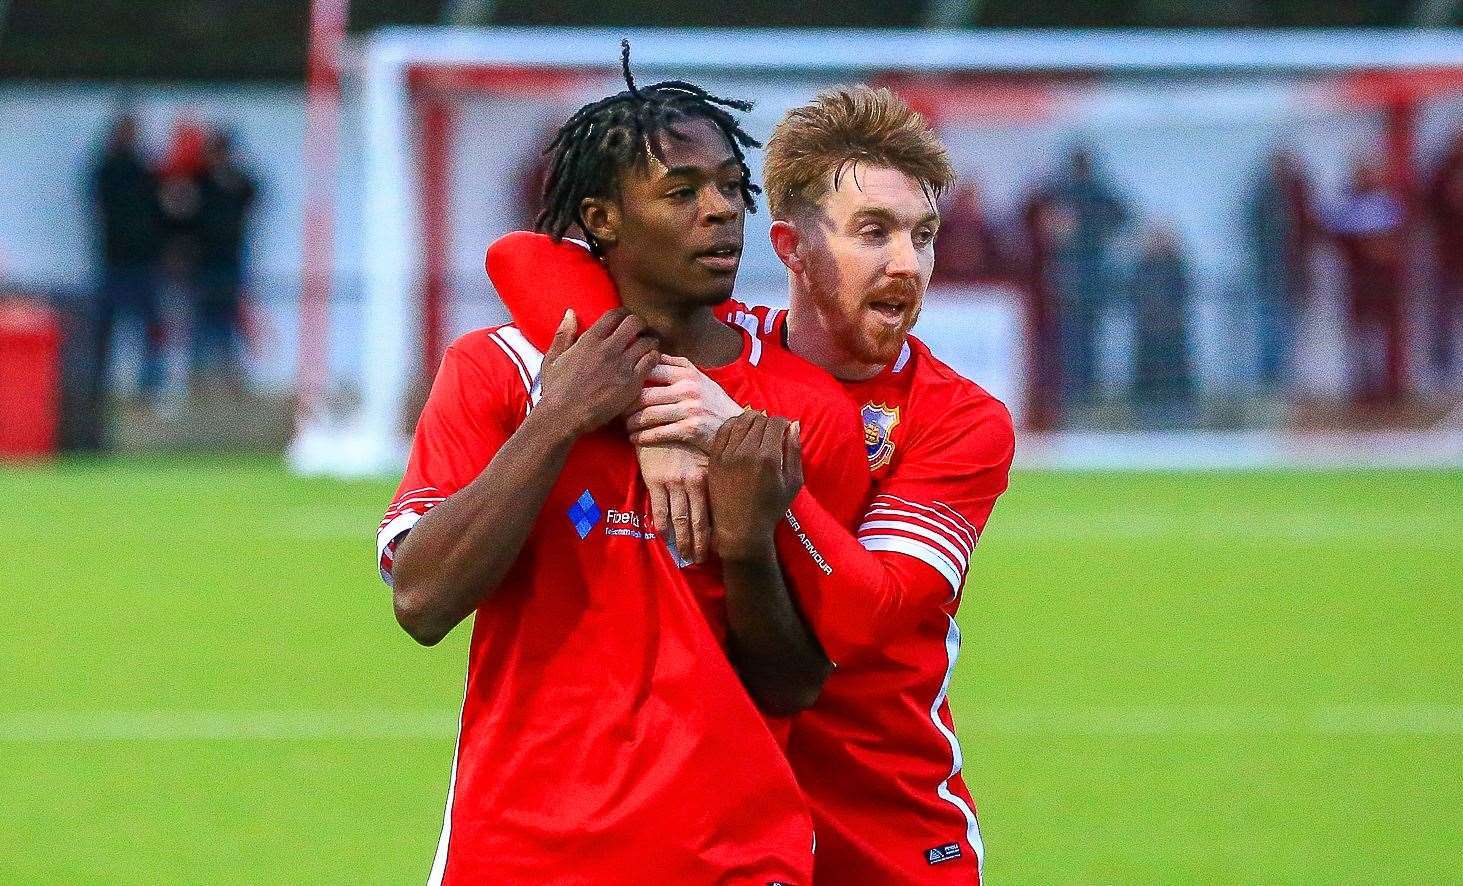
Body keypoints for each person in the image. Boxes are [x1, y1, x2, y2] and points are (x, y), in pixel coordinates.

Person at [491, 85, 1015, 885]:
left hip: (886, 821)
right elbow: (522, 259)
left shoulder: (958, 421)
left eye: (923, 235)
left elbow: (869, 614)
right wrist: (654, 402)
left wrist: (734, 444)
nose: (906, 264)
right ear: (791, 248)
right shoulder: (728, 354)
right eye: (872, 233)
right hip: (724, 828)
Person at [380, 46, 866, 884]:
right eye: (681, 193)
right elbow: (422, 600)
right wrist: (560, 419)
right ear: (600, 218)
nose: (720, 213)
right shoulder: (495, 370)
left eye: (730, 187)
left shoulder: (804, 409)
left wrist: (749, 540)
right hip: (518, 855)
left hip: (733, 860)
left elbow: (793, 687)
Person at [88, 111, 165, 424]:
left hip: (141, 263)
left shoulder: (141, 169)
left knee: (149, 329)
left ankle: (148, 391)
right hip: (117, 262)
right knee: (107, 330)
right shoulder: (111, 170)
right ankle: (98, 392)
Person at [1327, 159, 1408, 405]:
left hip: (1383, 283)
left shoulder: (1386, 204)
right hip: (1360, 282)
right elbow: (1341, 238)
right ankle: (1362, 387)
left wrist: (1380, 250)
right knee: (1361, 335)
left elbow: (1397, 240)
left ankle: (1386, 387)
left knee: (1384, 335)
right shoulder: (1349, 205)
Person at [1245, 148, 1315, 393]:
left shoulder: (1297, 192)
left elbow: (1307, 231)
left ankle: (1284, 379)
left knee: (1288, 330)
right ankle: (1269, 381)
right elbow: (1257, 236)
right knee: (1269, 328)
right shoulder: (1263, 195)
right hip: (1270, 275)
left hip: (1292, 275)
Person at [193, 129, 257, 389]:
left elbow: (252, 195)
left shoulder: (237, 182)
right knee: (202, 324)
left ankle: (230, 379)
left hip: (230, 261)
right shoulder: (200, 183)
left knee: (228, 322)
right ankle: (200, 380)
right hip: (202, 263)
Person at [1128, 224, 1195, 427]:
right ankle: (1145, 414)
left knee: (1176, 372)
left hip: (1172, 330)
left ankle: (1180, 413)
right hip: (1147, 330)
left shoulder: (1177, 266)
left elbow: (1182, 294)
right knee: (1147, 373)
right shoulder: (1141, 267)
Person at [1424, 135, 1463, 386]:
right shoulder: (1444, 169)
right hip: (1448, 258)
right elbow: (1428, 203)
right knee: (1443, 317)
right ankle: (1442, 372)